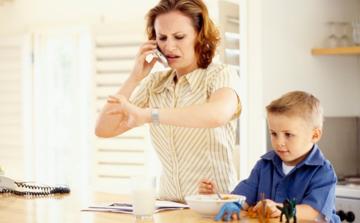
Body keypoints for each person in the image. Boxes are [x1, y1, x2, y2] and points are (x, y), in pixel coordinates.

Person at [95, 0, 241, 202]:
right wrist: (134, 77)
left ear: (200, 35)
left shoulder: (220, 75)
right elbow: (104, 129)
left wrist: (148, 115)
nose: (169, 46)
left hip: (215, 206)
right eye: (162, 37)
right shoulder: (155, 83)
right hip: (168, 205)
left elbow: (217, 115)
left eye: (179, 37)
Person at [199, 91, 340, 222]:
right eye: (273, 134)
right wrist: (227, 201)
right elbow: (244, 197)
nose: (279, 143)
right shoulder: (264, 165)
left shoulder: (323, 172)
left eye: (288, 135)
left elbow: (314, 212)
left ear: (314, 135)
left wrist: (280, 209)